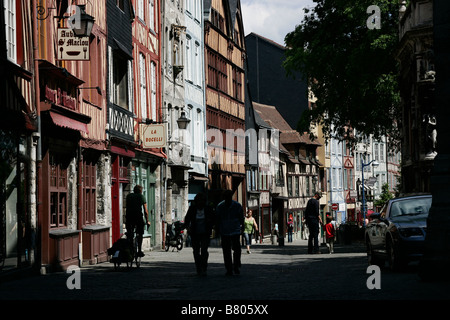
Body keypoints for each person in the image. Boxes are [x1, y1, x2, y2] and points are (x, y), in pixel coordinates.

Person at [183, 192, 215, 276]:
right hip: (195, 233)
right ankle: (198, 267)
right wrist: (188, 228)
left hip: (205, 233)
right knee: (196, 251)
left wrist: (210, 226)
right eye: (198, 201)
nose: (200, 203)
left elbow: (213, 219)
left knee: (204, 250)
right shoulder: (192, 209)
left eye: (202, 201)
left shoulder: (208, 209)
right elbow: (187, 219)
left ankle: (204, 266)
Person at [216, 190, 244, 275]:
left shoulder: (237, 206)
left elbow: (241, 218)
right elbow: (218, 219)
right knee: (226, 251)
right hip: (225, 231)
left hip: (234, 230)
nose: (227, 198)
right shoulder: (220, 206)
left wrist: (242, 227)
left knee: (237, 250)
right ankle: (229, 268)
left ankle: (236, 266)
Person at [126, 185, 150, 257]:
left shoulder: (129, 196)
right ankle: (139, 250)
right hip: (138, 217)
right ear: (140, 191)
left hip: (129, 217)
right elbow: (145, 211)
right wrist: (147, 220)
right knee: (140, 234)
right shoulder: (141, 196)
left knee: (130, 232)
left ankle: (130, 248)